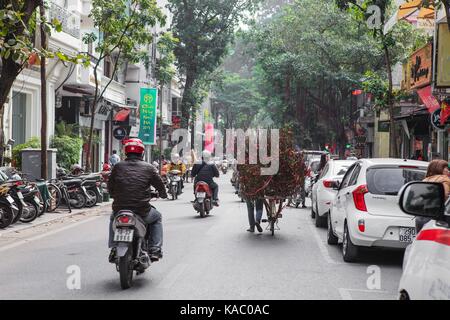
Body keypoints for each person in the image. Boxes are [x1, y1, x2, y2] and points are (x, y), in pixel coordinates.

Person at [107, 138, 168, 262]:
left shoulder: (118, 167)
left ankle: (114, 247)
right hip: (142, 210)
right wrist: (163, 194)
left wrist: (114, 194)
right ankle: (155, 248)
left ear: (126, 152)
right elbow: (160, 185)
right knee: (157, 218)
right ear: (142, 153)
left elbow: (110, 186)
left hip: (119, 208)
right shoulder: (149, 168)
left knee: (113, 218)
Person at [416, 159, 450, 232]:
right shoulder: (445, 179)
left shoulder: (425, 180)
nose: (448, 171)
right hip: (437, 218)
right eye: (446, 169)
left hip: (421, 217)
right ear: (440, 169)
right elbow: (445, 195)